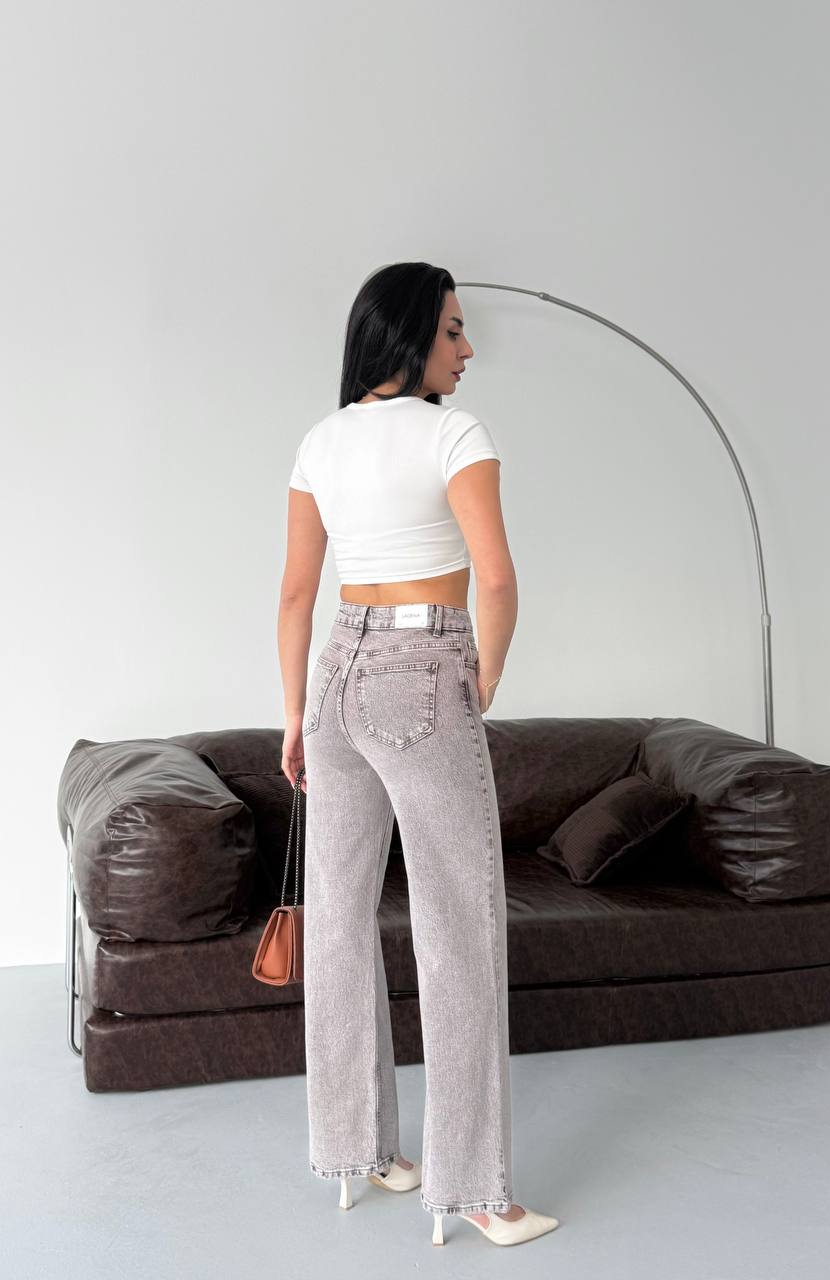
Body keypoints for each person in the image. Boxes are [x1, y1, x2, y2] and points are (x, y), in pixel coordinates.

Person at [277, 262, 559, 1247]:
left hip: (334, 674)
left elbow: (296, 594)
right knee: (459, 923)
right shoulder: (453, 434)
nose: (467, 349)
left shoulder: (320, 441)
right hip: (422, 666)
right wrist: (487, 672)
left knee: (339, 919)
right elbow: (497, 576)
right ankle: (476, 1190)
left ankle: (356, 1153)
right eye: (452, 330)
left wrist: (294, 716)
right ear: (407, 335)